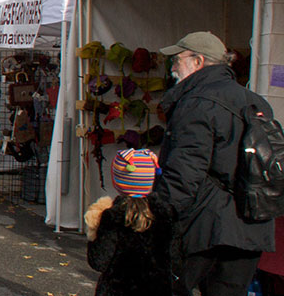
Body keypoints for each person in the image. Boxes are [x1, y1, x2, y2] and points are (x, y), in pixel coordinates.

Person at [150, 31, 274, 296]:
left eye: (177, 60)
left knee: (164, 287)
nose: (172, 68)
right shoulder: (255, 101)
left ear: (198, 62)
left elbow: (185, 172)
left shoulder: (197, 102)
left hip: (207, 225)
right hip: (251, 223)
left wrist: (155, 218)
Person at [85, 148, 174, 296]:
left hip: (117, 289)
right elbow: (176, 259)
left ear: (117, 181)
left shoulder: (113, 216)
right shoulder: (166, 214)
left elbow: (99, 261)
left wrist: (93, 231)